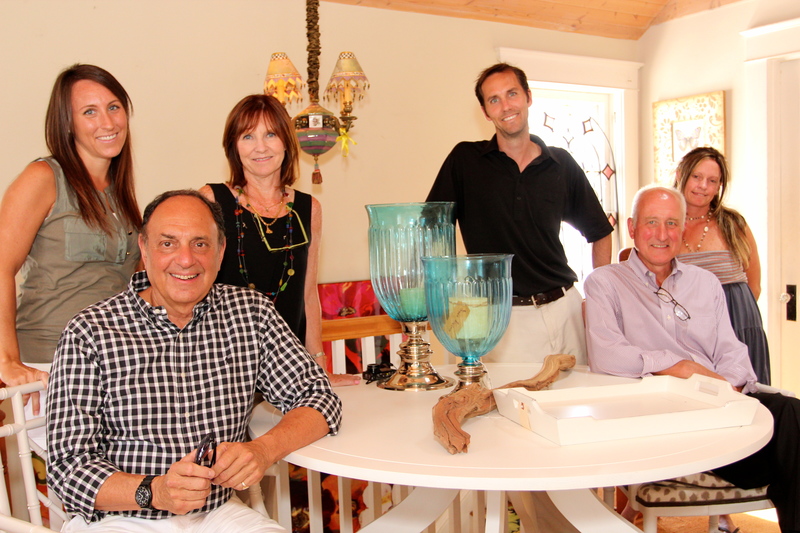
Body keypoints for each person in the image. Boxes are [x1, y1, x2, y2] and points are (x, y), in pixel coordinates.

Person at [46, 190, 342, 532]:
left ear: (220, 253)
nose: (185, 260)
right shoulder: (90, 331)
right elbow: (68, 469)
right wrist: (155, 491)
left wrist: (262, 450)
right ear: (144, 249)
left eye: (200, 244)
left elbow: (319, 397)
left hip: (220, 512)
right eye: (168, 244)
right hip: (124, 516)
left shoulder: (251, 312)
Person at [585, 185, 800, 533]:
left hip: (721, 406)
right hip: (664, 415)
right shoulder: (605, 283)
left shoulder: (706, 283)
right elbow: (607, 355)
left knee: (792, 418)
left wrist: (723, 387)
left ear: (683, 230)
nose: (661, 234)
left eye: (672, 223)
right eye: (651, 222)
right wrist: (680, 367)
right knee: (791, 443)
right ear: (632, 227)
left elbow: (732, 352)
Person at [427, 62, 613, 365]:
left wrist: (599, 302)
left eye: (512, 94)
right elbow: (432, 229)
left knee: (576, 405)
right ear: (486, 112)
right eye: (494, 100)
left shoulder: (561, 164)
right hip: (499, 317)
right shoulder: (465, 161)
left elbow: (601, 232)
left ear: (528, 96)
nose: (505, 106)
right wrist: (446, 297)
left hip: (564, 310)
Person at [0, 64, 141, 413]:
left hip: (112, 366)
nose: (108, 123)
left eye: (114, 107)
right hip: (51, 363)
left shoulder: (119, 192)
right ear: (67, 123)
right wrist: (8, 363)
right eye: (89, 112)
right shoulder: (44, 177)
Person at [200, 94, 358, 386]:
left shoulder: (310, 209)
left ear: (286, 141)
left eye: (270, 134)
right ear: (234, 146)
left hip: (289, 368)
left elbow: (308, 294)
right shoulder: (211, 200)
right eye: (248, 136)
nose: (260, 147)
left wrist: (318, 367)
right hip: (225, 367)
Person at [673, 146, 770, 384]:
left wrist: (730, 324)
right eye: (696, 176)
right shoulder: (666, 225)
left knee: (748, 404)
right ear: (680, 174)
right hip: (686, 332)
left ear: (719, 186)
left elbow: (753, 285)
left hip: (739, 324)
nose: (703, 186)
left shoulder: (734, 224)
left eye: (712, 180)